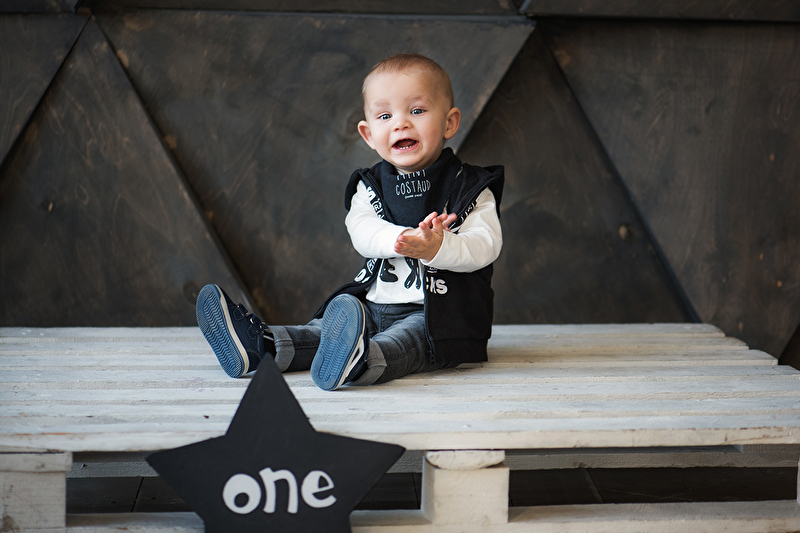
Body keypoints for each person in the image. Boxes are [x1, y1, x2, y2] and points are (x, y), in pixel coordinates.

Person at [196, 53, 504, 391]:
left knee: (407, 340)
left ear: (449, 122)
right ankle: (263, 345)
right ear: (369, 134)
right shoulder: (369, 186)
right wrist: (405, 237)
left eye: (417, 111)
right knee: (327, 329)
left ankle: (362, 362)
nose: (400, 124)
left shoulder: (470, 186)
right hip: (373, 304)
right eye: (385, 116)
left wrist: (440, 247)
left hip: (438, 314)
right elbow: (361, 230)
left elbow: (486, 244)